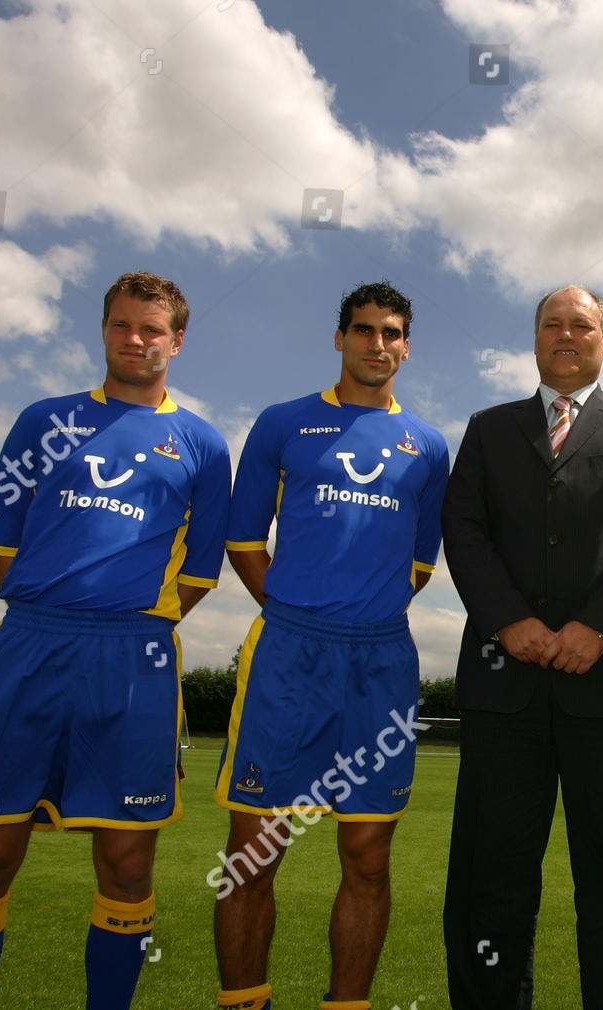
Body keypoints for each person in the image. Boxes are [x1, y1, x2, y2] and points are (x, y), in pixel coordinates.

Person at [0, 272, 231, 1010]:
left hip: (134, 658)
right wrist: (58, 601)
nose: (137, 340)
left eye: (152, 330)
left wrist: (127, 618)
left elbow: (199, 571)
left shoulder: (202, 442)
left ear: (178, 341)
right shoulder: (44, 420)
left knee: (128, 863)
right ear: (103, 330)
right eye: (123, 325)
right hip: (30, 646)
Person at [440, 284, 603, 1009]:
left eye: (582, 325)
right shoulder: (488, 428)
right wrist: (507, 621)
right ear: (535, 340)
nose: (567, 334)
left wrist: (598, 628)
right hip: (502, 687)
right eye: (553, 324)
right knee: (490, 881)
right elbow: (464, 527)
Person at [213, 281, 449, 1010]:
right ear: (339, 338)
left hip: (380, 663)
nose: (377, 344)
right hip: (288, 655)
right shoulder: (284, 423)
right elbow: (243, 539)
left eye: (391, 333)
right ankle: (244, 1001)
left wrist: (361, 615)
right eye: (363, 330)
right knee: (254, 855)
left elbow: (418, 562)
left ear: (406, 346)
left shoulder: (429, 446)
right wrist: (298, 610)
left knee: (368, 860)